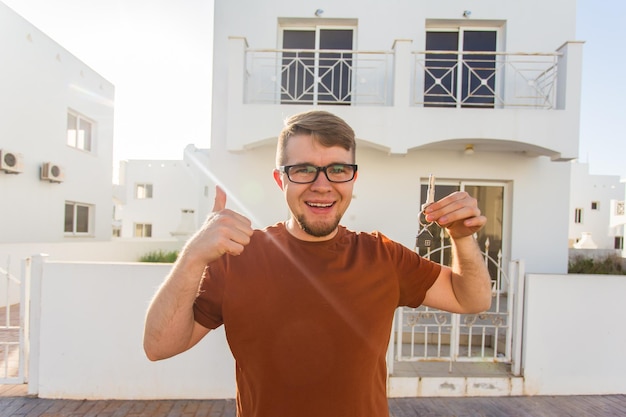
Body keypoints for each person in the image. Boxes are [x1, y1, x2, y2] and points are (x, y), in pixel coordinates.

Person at [143, 110, 492, 417]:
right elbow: (159, 346)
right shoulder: (238, 258)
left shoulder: (384, 257)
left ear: (353, 178)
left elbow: (471, 299)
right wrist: (193, 256)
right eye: (304, 170)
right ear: (281, 180)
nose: (322, 185)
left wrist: (462, 237)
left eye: (337, 170)